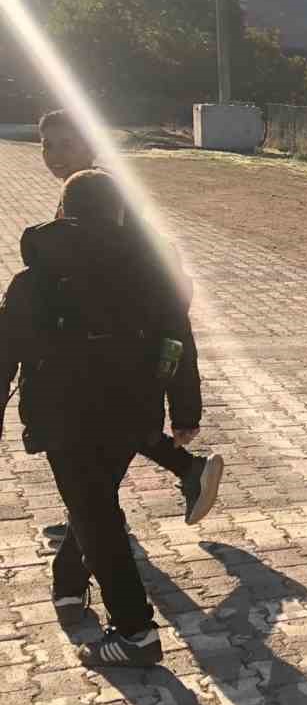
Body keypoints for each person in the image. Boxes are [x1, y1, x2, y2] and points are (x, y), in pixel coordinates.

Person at [0, 170, 201, 666]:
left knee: (94, 510)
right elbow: (177, 340)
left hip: (62, 418)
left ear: (64, 212)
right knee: (94, 504)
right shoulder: (153, 274)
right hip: (131, 413)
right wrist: (184, 409)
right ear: (119, 212)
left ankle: (135, 632)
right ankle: (69, 586)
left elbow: (4, 354)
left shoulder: (34, 280)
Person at [35, 110, 222, 541]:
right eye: (48, 145)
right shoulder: (77, 194)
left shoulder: (103, 197)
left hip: (126, 340)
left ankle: (93, 530)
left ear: (91, 145)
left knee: (101, 433)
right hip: (105, 343)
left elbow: (147, 271)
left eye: (66, 144)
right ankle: (178, 476)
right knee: (115, 428)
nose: (55, 155)